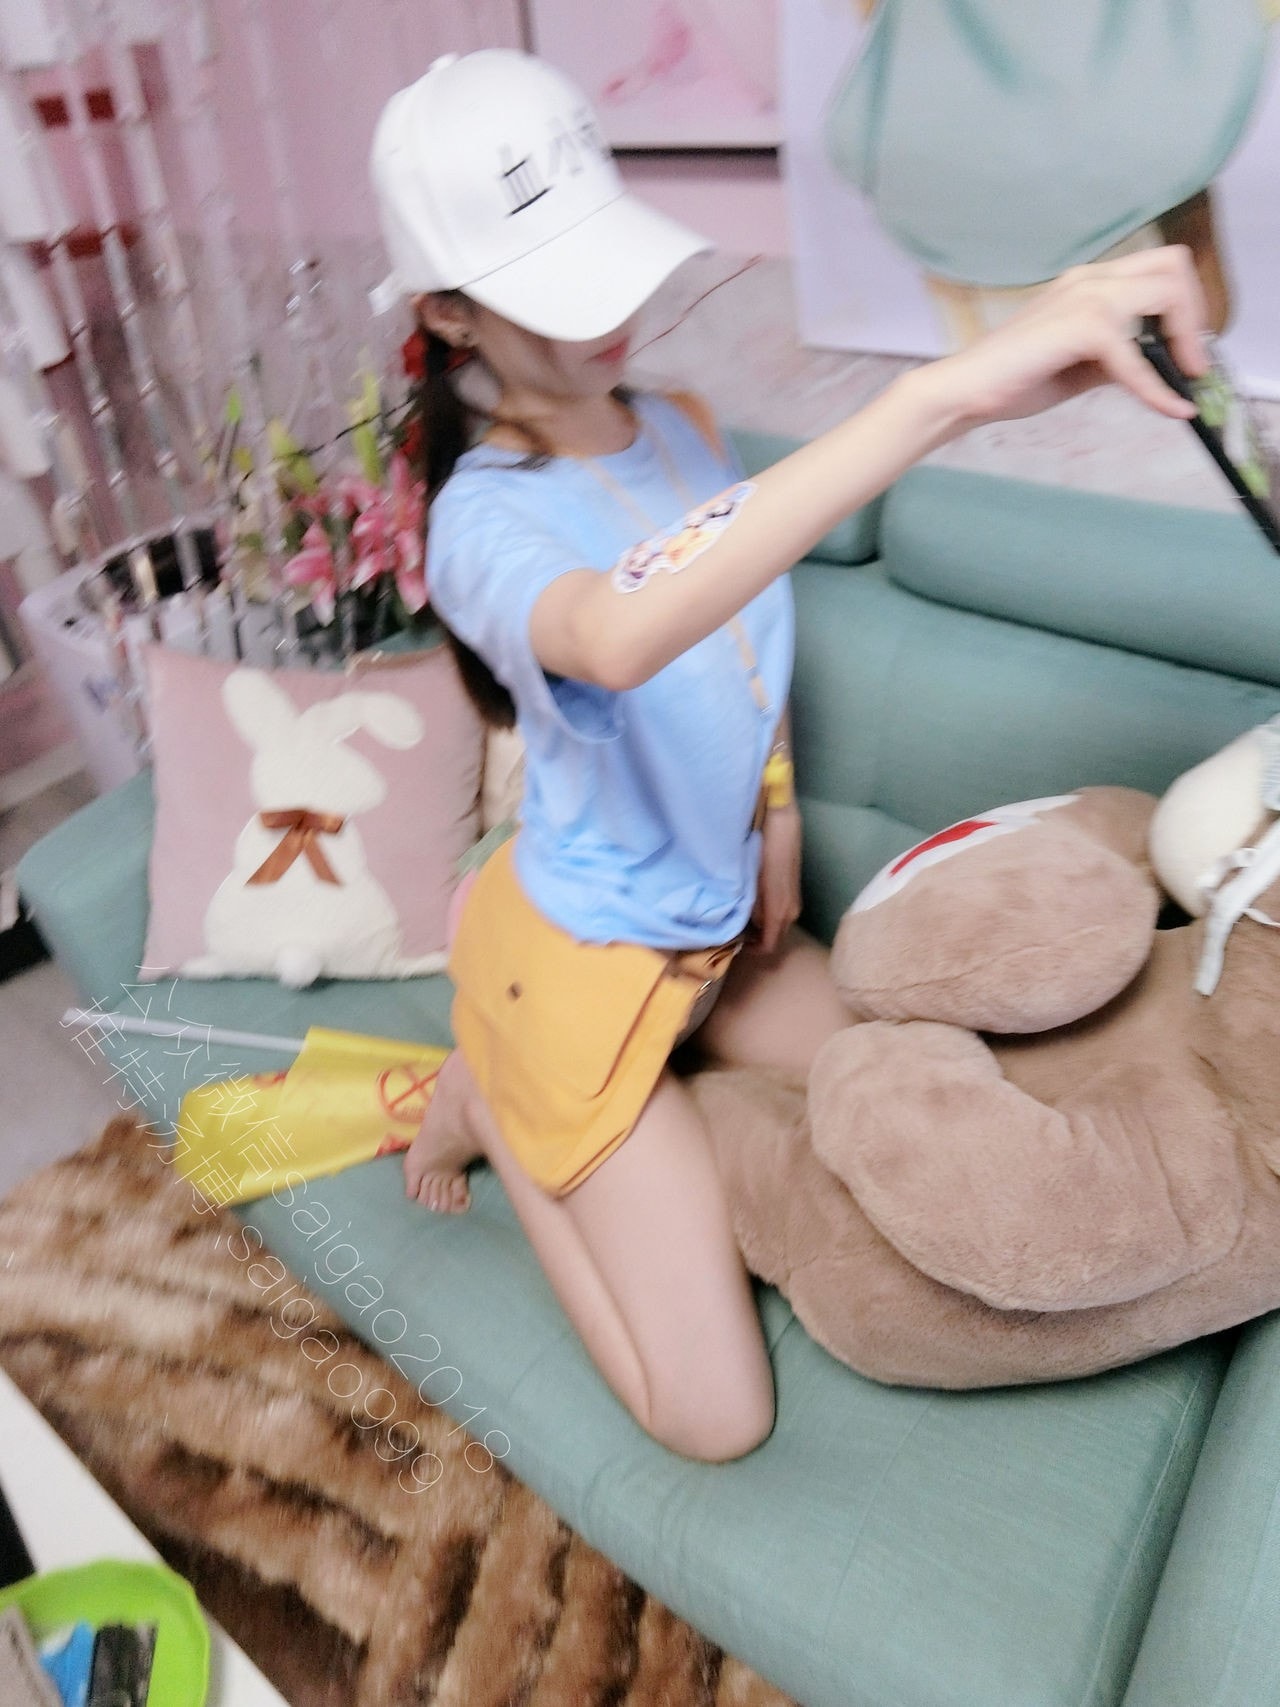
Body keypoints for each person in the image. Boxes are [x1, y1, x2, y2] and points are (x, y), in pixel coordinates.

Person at [369, 48, 1209, 1463]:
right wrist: (939, 395)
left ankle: (541, 1084)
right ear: (449, 313)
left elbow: (736, 645)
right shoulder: (481, 525)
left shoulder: (682, 428)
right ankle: (496, 1103)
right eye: (554, 291)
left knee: (960, 1111)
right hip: (582, 974)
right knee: (715, 1419)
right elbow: (620, 633)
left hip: (718, 937)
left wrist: (775, 819)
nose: (611, 315)